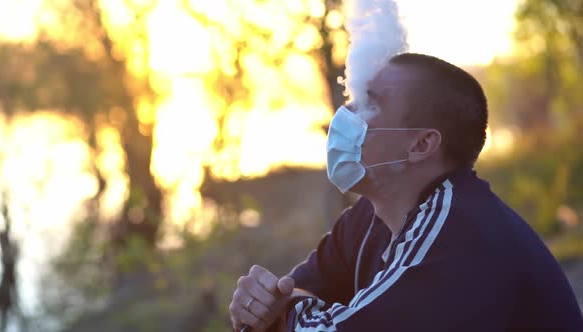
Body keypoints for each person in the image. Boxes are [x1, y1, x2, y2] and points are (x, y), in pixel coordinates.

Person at [228, 53, 583, 331]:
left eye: (372, 104)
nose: (347, 115)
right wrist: (257, 304)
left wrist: (279, 313)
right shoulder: (367, 217)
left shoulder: (460, 233)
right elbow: (295, 294)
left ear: (421, 144)